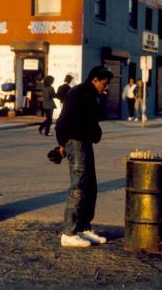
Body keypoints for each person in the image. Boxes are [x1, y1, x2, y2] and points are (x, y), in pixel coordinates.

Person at [55, 66, 113, 248]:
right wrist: (62, 144)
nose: (106, 87)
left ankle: (83, 227)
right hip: (76, 142)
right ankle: (69, 233)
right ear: (95, 79)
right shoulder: (77, 93)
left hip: (86, 143)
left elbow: (93, 120)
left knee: (90, 186)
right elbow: (62, 121)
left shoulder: (93, 96)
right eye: (104, 83)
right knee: (78, 186)